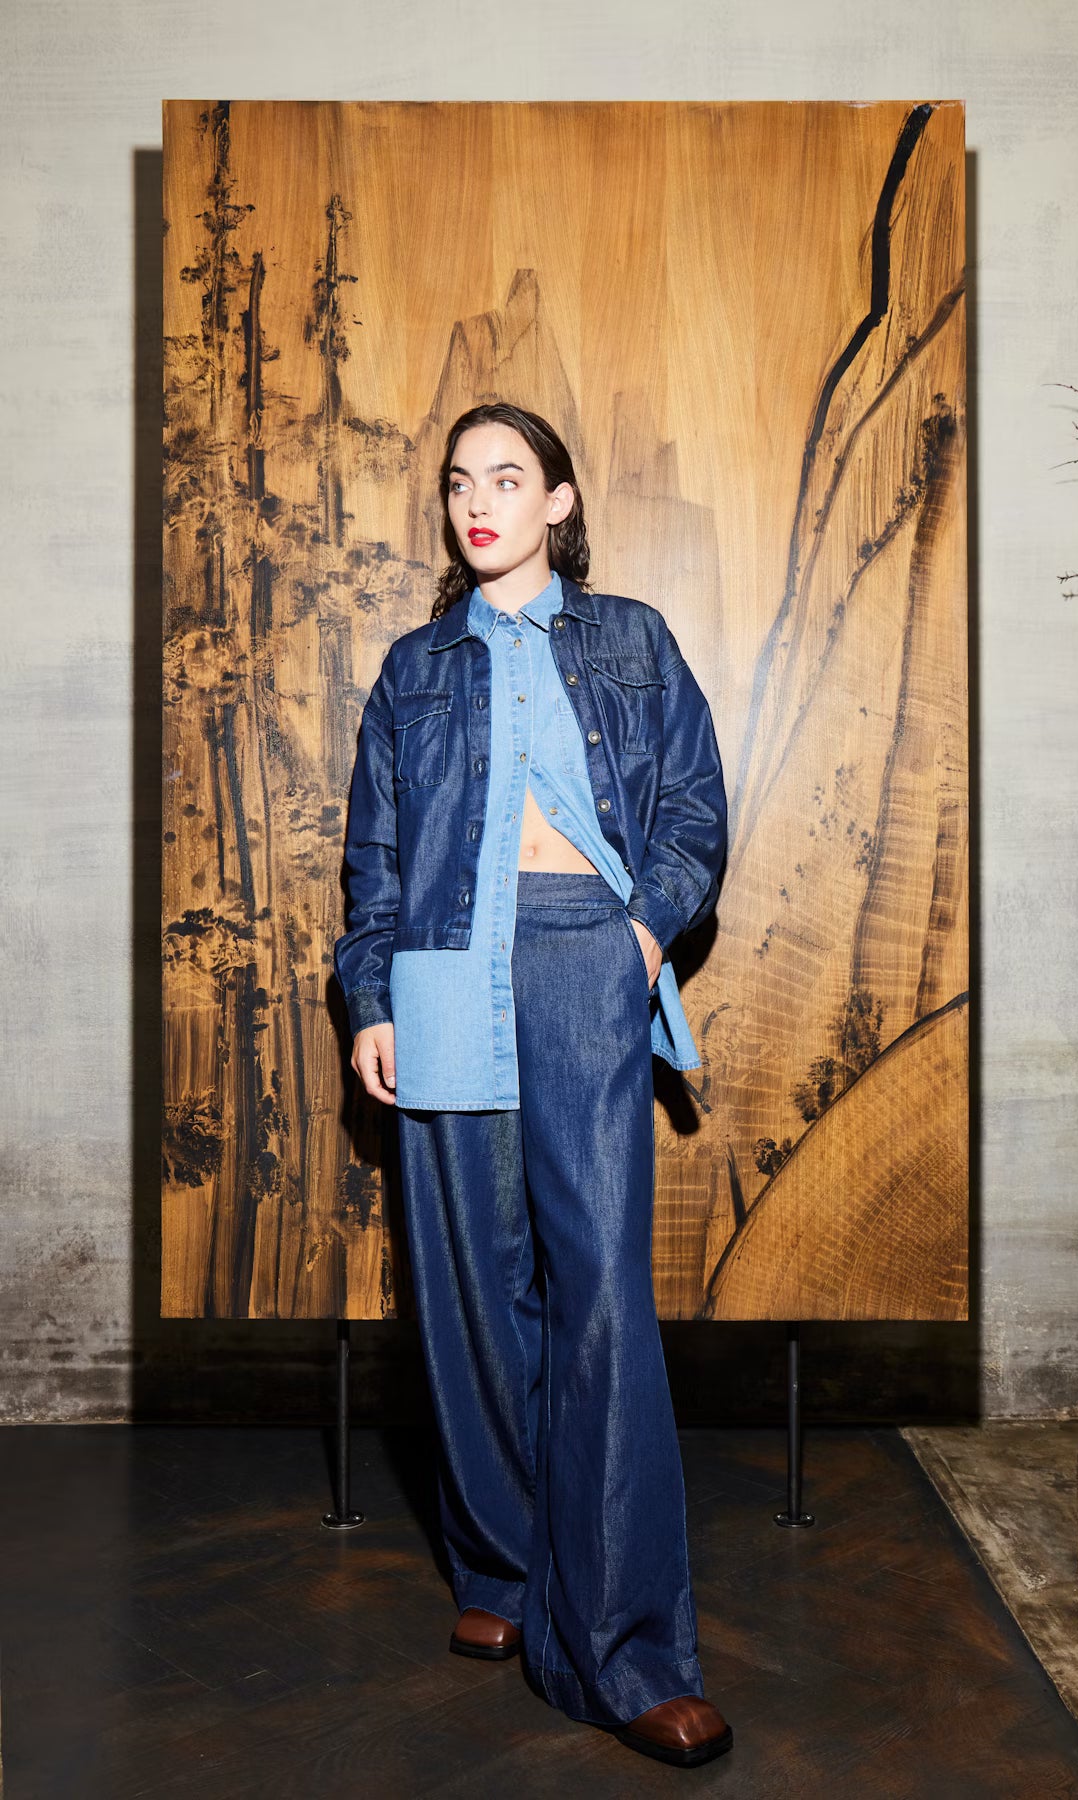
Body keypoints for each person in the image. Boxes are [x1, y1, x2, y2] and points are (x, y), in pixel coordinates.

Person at [333, 400, 731, 1769]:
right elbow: (374, 860)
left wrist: (638, 928)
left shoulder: (630, 640)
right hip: (445, 972)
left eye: (508, 479)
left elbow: (691, 807)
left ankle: (622, 1650)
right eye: (459, 483)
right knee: (469, 1294)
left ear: (559, 501)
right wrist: (372, 997)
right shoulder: (415, 666)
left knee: (601, 1294)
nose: (478, 502)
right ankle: (501, 1568)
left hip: (578, 959)